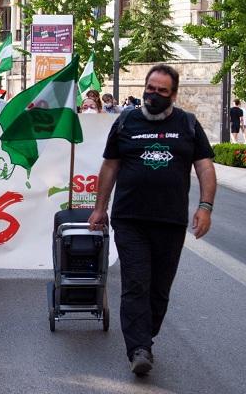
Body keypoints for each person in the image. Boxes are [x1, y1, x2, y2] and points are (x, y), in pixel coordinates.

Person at [88, 64, 216, 376]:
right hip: (130, 219)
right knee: (135, 282)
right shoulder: (126, 121)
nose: (153, 95)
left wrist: (205, 207)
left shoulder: (187, 124)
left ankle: (146, 335)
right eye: (150, 88)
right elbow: (110, 166)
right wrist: (100, 207)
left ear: (173, 94)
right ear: (144, 88)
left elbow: (205, 167)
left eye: (161, 91)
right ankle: (139, 349)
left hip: (170, 222)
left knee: (159, 288)